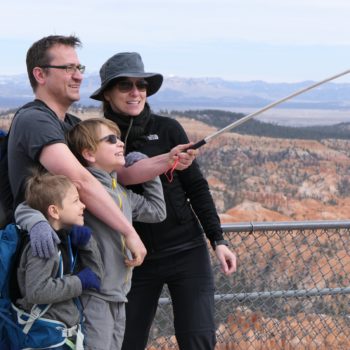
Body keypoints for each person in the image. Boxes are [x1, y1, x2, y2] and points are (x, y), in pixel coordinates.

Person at [90, 52, 238, 349]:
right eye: (125, 86)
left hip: (187, 251)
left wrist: (217, 239)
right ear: (107, 93)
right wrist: (166, 160)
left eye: (141, 85)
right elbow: (113, 178)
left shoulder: (168, 129)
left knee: (197, 339)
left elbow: (196, 188)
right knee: (125, 342)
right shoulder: (97, 137)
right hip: (132, 259)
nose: (136, 93)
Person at [7, 35, 196, 266]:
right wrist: (129, 232)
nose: (78, 75)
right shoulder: (34, 120)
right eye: (68, 68)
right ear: (40, 74)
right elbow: (81, 180)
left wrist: (168, 159)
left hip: (69, 252)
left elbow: (121, 174)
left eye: (79, 67)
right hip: (40, 254)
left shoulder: (72, 124)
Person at [65, 117, 166, 349]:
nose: (120, 143)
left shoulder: (121, 193)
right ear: (89, 154)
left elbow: (157, 212)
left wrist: (148, 168)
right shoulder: (82, 191)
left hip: (119, 295)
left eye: (119, 138)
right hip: (95, 296)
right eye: (111, 139)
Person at [14, 171, 103, 349]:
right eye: (75, 201)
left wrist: (87, 244)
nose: (83, 206)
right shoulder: (42, 245)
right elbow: (37, 292)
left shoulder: (65, 237)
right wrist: (78, 282)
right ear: (54, 211)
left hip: (63, 334)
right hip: (46, 338)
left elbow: (96, 276)